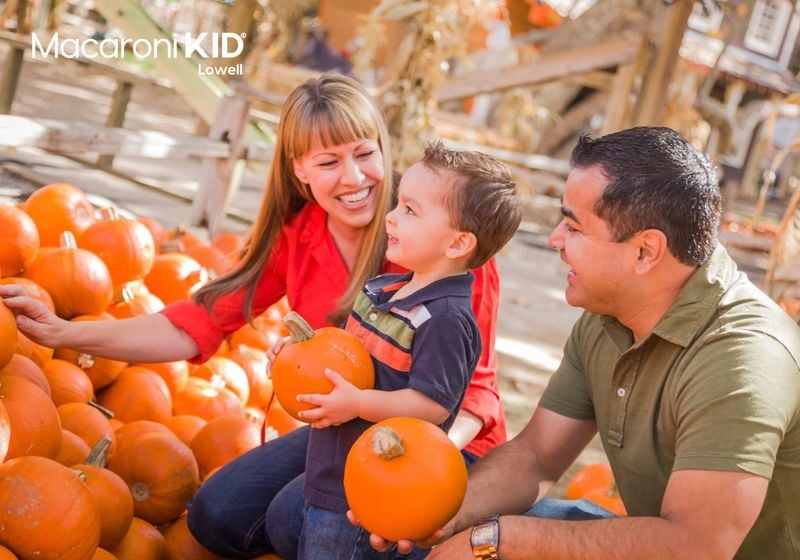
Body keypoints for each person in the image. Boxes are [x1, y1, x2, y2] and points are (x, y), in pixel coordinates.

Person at [0, 73, 508, 559]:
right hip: (344, 425)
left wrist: (419, 480)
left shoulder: (442, 246)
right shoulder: (299, 235)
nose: (354, 178)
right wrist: (66, 331)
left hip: (439, 442)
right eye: (328, 162)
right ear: (299, 171)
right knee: (217, 514)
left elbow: (475, 394)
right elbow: (192, 323)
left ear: (383, 149)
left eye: (364, 153)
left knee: (300, 516)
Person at [362, 127, 800, 560]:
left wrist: (503, 539)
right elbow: (537, 455)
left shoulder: (743, 359)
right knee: (521, 520)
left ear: (646, 251)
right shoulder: (610, 312)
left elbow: (697, 547)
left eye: (573, 227)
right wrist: (437, 516)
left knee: (520, 534)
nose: (554, 239)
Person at [282, 140, 521, 560]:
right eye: (398, 203)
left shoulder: (444, 320)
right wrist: (297, 354)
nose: (390, 216)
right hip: (333, 469)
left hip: (368, 494)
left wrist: (357, 403)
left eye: (410, 210)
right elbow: (349, 356)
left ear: (457, 244)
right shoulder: (386, 290)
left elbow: (430, 408)